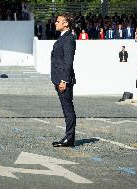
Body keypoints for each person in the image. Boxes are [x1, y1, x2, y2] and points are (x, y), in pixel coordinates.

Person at [51, 13, 76, 147]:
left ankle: (70, 138)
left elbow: (68, 61)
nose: (56, 23)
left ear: (66, 24)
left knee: (68, 109)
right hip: (59, 79)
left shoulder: (68, 38)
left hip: (63, 80)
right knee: (66, 109)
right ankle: (68, 136)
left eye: (58, 21)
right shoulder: (62, 38)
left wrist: (64, 80)